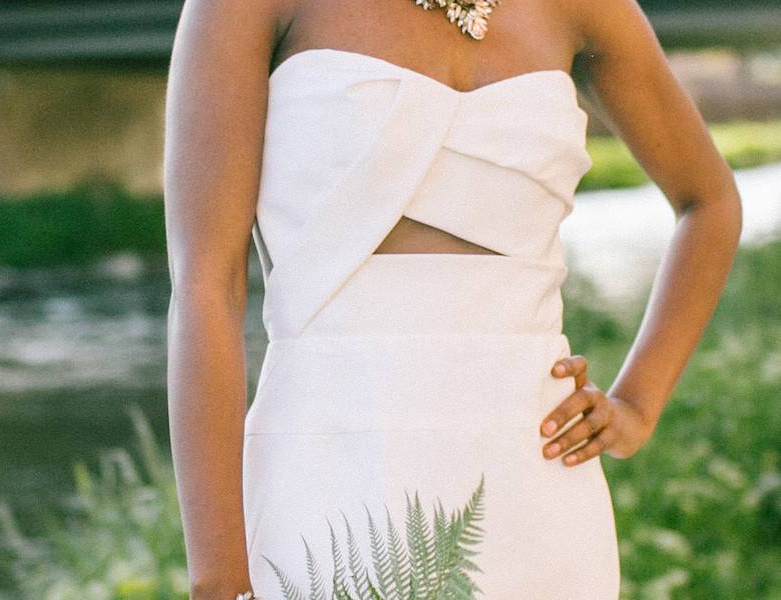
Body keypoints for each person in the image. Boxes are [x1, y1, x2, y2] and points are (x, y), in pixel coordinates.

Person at [162, 0, 742, 597]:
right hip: (329, 465)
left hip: (538, 476)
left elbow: (710, 203)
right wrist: (219, 577)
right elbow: (206, 285)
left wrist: (636, 406)